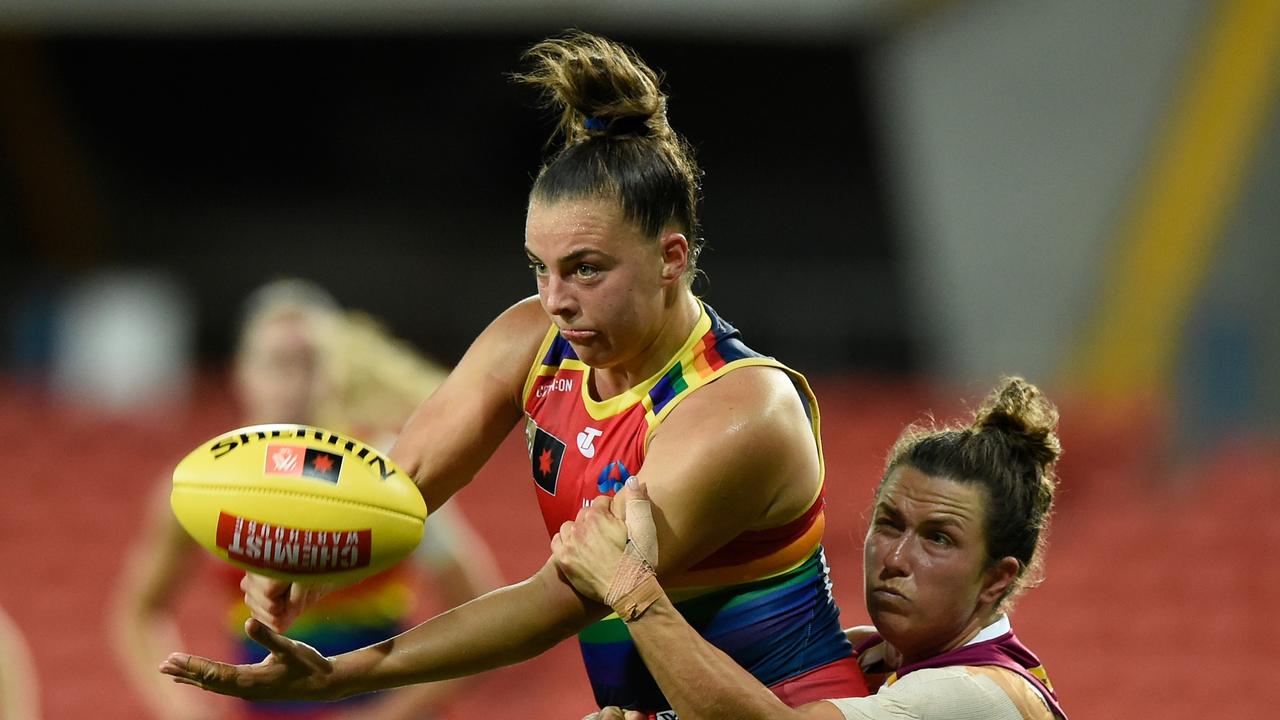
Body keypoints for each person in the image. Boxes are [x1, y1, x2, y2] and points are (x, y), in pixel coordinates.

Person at [159, 31, 869, 714]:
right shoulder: (534, 338)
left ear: (671, 258)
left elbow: (564, 598)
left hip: (785, 710)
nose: (556, 299)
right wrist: (312, 557)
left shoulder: (739, 409)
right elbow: (396, 486)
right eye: (541, 268)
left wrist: (344, 676)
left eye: (586, 269)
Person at [552, 377, 1069, 720]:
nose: (894, 559)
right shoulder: (869, 658)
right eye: (889, 524)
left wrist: (635, 592)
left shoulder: (975, 697)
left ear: (997, 578)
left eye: (938, 539)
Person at [115, 279, 503, 720]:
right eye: (279, 363)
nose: (294, 382)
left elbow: (479, 613)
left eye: (309, 363)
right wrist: (185, 713)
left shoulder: (388, 473)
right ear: (241, 372)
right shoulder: (198, 486)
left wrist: (395, 712)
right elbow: (141, 612)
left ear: (334, 373)